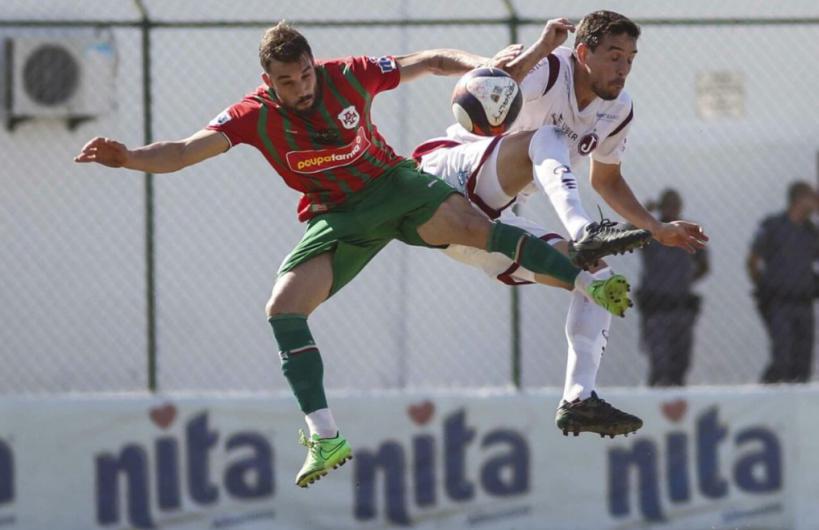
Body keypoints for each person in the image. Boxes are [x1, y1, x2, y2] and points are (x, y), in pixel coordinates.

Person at [74, 22, 635, 487]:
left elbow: (429, 60)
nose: (301, 88)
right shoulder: (254, 114)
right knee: (283, 307)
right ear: (267, 81)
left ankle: (591, 284)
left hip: (396, 185)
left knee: (473, 227)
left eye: (305, 75)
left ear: (316, 66)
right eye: (287, 81)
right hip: (339, 217)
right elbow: (182, 151)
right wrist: (127, 157)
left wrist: (482, 66)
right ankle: (324, 437)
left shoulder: (347, 76)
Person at [414, 11, 708, 437]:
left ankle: (578, 398)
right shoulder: (552, 68)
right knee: (544, 139)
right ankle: (584, 231)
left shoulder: (618, 109)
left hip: (483, 224)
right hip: (449, 178)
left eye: (630, 58)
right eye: (613, 56)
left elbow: (606, 179)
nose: (623, 68)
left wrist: (657, 227)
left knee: (599, 282)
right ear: (583, 51)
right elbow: (490, 88)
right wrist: (541, 47)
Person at [636, 189, 709, 386]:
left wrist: (684, 280)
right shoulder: (651, 231)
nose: (672, 209)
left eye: (675, 205)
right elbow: (628, 235)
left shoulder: (687, 231)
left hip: (681, 306)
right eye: (668, 205)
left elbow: (704, 265)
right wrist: (644, 213)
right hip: (656, 307)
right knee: (660, 365)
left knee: (681, 363)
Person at [748, 181, 818, 384]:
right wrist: (763, 288)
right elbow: (753, 260)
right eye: (811, 197)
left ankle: (794, 408)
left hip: (804, 303)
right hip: (779, 302)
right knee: (782, 357)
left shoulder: (811, 231)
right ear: (799, 199)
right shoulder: (773, 226)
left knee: (803, 361)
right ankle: (767, 397)